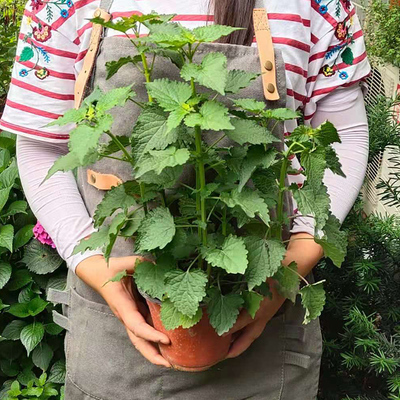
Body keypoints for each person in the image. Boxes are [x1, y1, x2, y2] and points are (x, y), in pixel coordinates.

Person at [0, 0, 371, 398]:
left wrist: (293, 260)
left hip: (265, 321)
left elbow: (343, 134)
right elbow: (43, 146)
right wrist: (90, 262)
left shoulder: (318, 6)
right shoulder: (65, 6)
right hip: (113, 328)